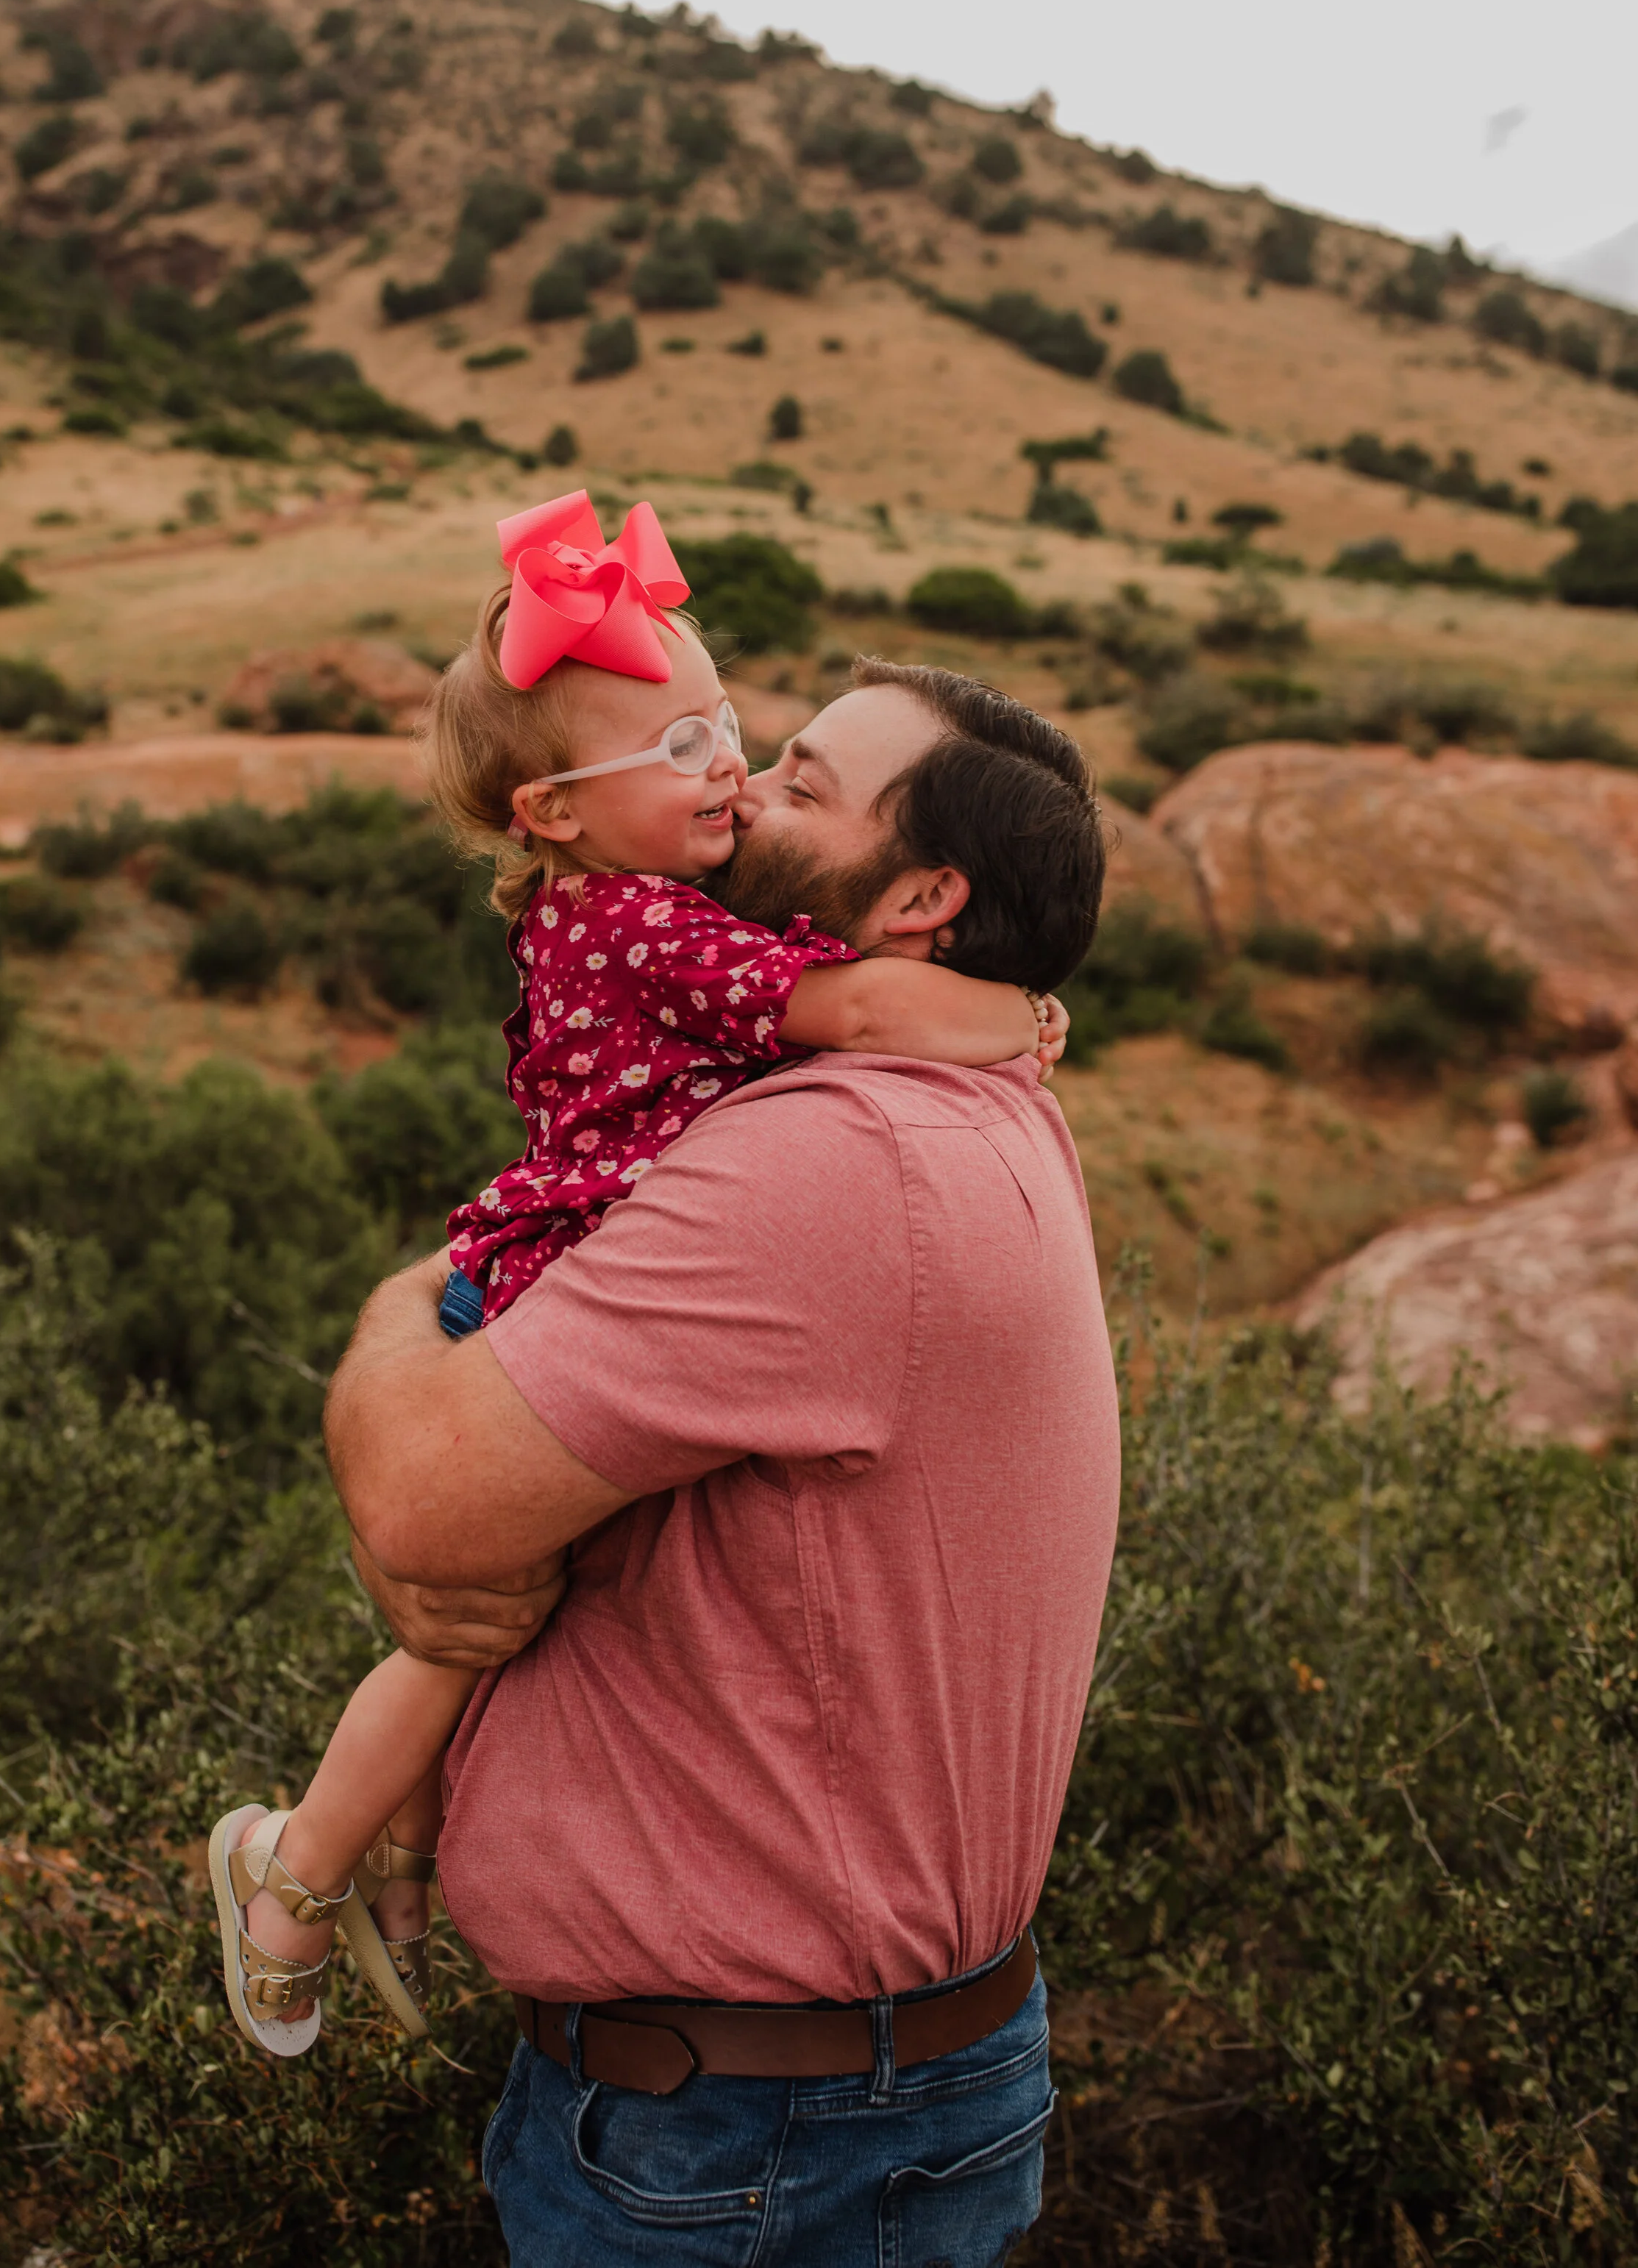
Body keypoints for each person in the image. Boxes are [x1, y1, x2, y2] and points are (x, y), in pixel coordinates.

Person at [206, 494, 1063, 2060]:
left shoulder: (776, 1086)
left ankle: (374, 1861)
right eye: (694, 752)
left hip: (752, 2094)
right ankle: (302, 1867)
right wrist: (1012, 1017)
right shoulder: (651, 931)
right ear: (551, 811)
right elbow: (860, 1012)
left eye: (744, 739)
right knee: (461, 1621)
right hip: (543, 1269)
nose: (732, 767)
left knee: (489, 1615)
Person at [324, 615, 1122, 2265]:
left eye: (802, 785)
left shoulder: (826, 1167)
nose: (744, 789)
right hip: (819, 2103)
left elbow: (420, 1501)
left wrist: (406, 1312)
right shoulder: (955, 1109)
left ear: (913, 907)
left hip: (751, 2143)